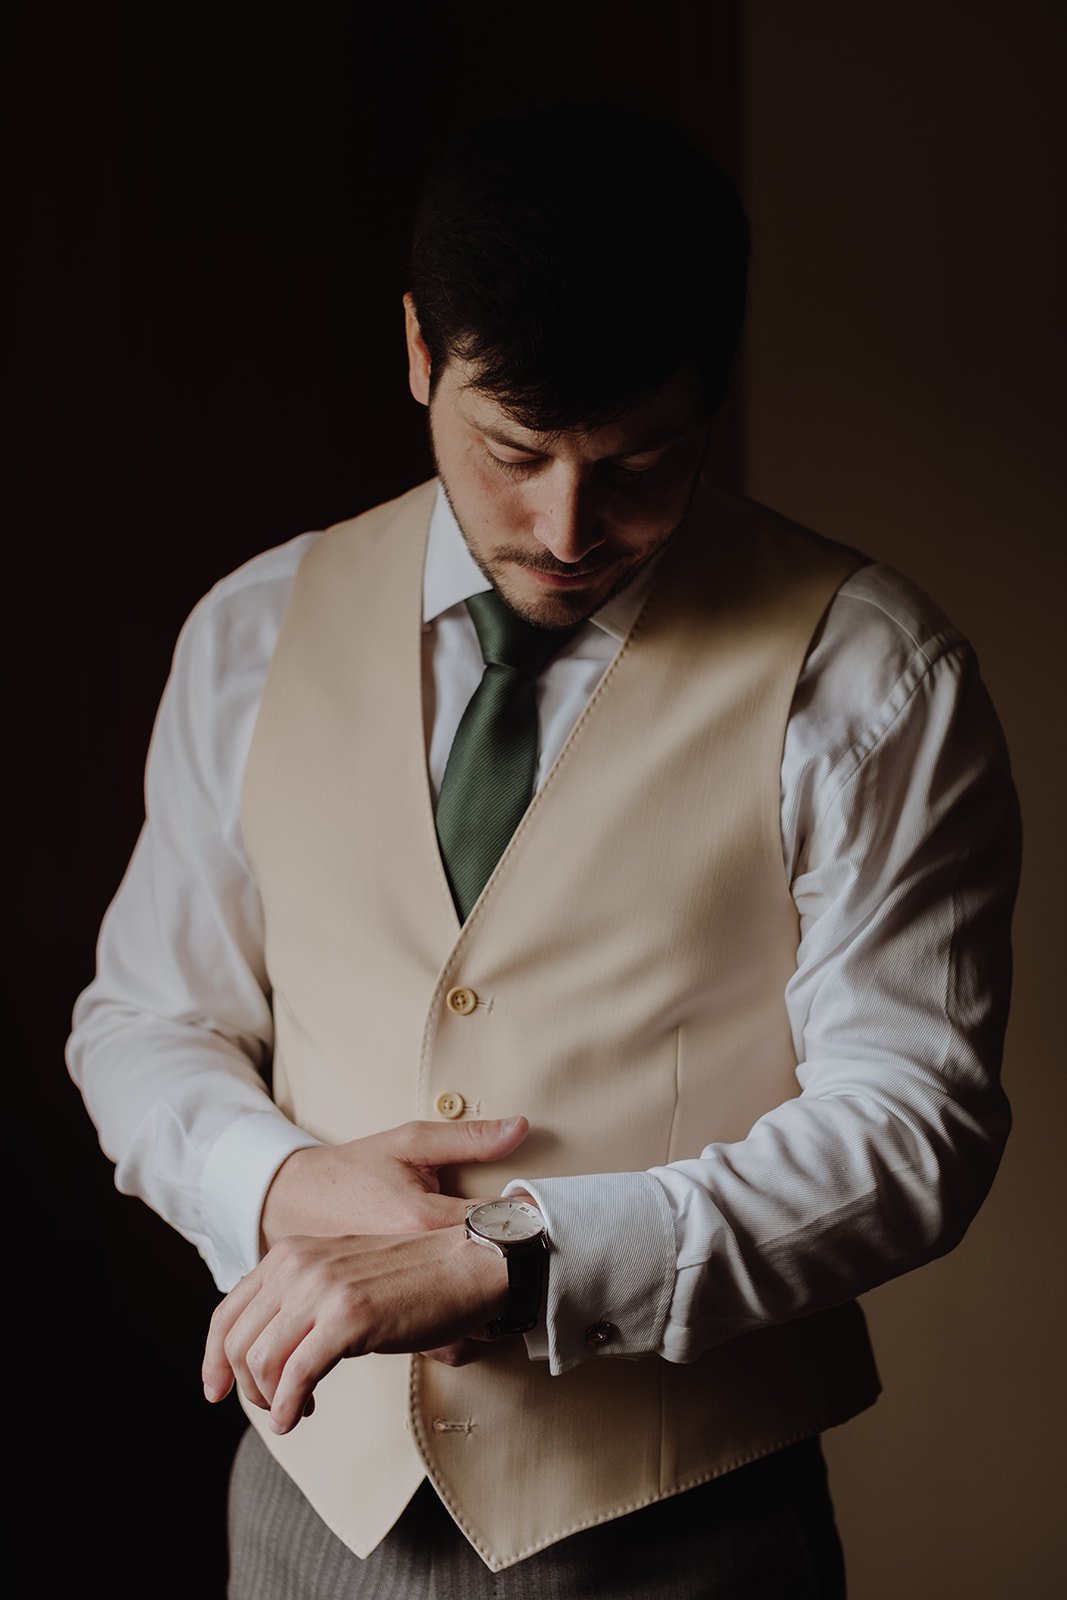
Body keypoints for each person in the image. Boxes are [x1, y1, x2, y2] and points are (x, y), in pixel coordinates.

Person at [66, 103, 1021, 1598]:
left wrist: (515, 1259)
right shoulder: (253, 629)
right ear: (418, 352)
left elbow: (913, 1127)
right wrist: (280, 1183)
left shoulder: (872, 677)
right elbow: (143, 1018)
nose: (569, 527)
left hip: (688, 1528)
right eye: (515, 452)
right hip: (309, 1512)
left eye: (642, 462)